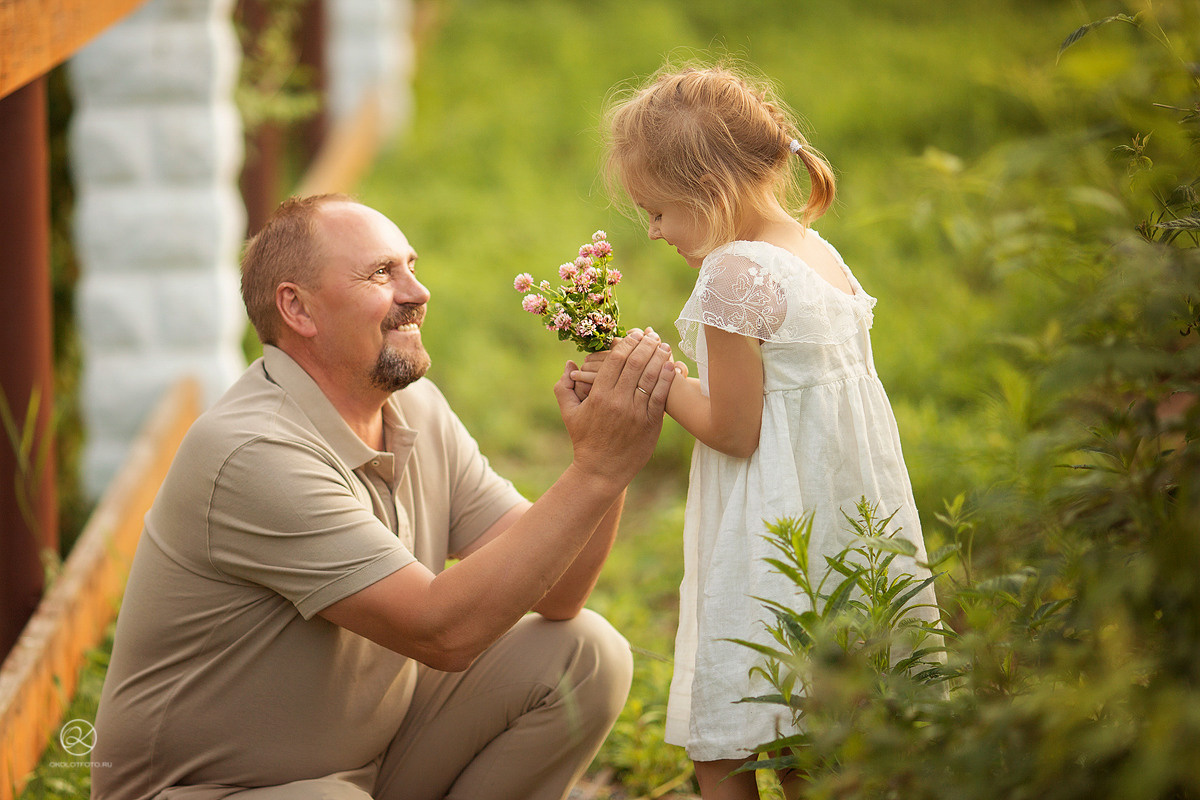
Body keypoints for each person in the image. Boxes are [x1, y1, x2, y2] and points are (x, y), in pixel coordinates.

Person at [91, 194, 677, 800]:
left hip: (370, 762)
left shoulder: (412, 406)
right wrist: (598, 470)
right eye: (381, 273)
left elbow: (558, 594)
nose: (418, 292)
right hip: (214, 789)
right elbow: (442, 632)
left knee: (584, 654)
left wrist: (611, 461)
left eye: (411, 266)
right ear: (297, 307)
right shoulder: (252, 452)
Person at [576, 63, 941, 799]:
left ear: (705, 193)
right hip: (841, 526)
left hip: (773, 533)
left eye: (656, 210)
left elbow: (734, 429)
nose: (651, 230)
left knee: (729, 747)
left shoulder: (733, 276)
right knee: (820, 738)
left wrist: (651, 372)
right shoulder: (815, 253)